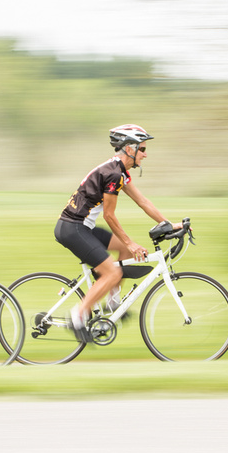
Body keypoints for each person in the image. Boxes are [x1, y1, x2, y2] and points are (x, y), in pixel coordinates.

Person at [54, 124, 181, 343]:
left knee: (122, 251)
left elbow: (142, 201)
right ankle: (77, 316)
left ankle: (113, 304)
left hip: (83, 227)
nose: (145, 154)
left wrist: (168, 224)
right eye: (142, 149)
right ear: (129, 149)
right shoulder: (113, 174)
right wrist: (131, 243)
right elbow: (109, 216)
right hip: (73, 228)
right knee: (113, 272)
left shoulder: (119, 172)